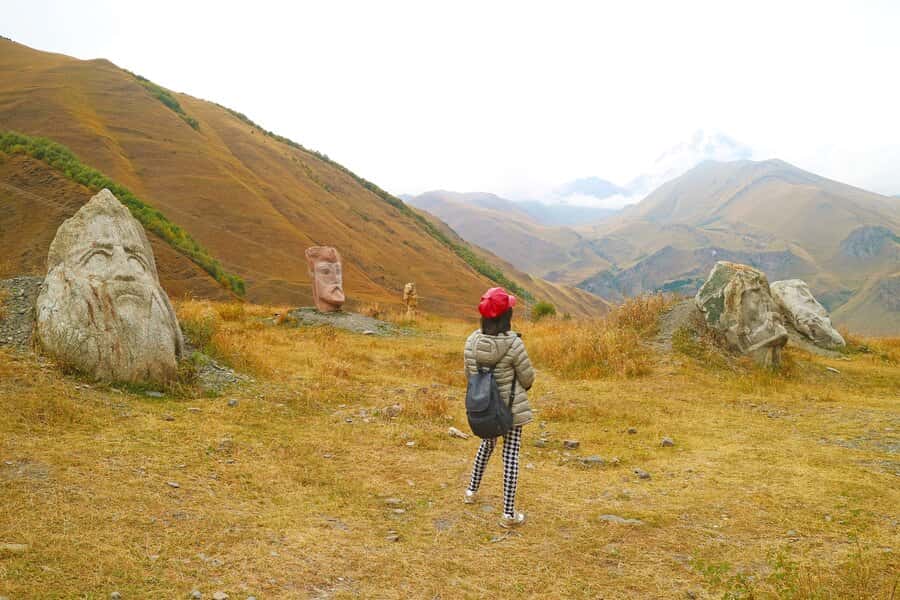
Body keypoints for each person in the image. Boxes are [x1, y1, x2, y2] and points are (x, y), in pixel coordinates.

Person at [463, 287, 535, 528]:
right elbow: (527, 379)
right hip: (511, 410)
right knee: (511, 455)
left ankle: (471, 491)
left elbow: (469, 375)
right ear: (506, 316)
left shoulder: (472, 341)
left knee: (486, 444)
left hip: (484, 408)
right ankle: (508, 514)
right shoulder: (514, 344)